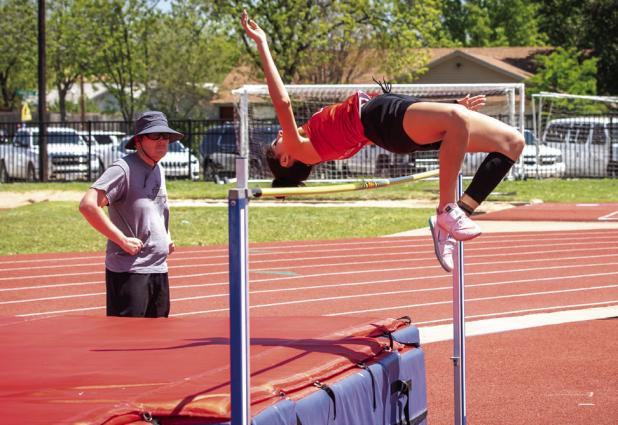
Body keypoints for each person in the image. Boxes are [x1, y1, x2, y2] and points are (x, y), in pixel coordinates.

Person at [241, 10, 524, 273]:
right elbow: (282, 101)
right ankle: (446, 211)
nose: (278, 136)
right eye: (276, 145)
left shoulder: (312, 139)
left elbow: (409, 115)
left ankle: (456, 215)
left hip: (391, 115)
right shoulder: (301, 147)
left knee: (512, 142)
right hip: (380, 120)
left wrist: (449, 107)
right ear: (286, 159)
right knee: (457, 118)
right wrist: (262, 43)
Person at [79, 111, 183, 317]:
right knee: (127, 340)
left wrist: (166, 237)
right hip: (130, 271)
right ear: (138, 140)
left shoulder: (158, 168)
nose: (162, 141)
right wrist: (122, 240)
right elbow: (88, 205)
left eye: (165, 136)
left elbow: (159, 207)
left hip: (158, 268)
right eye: (154, 135)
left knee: (156, 338)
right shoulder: (123, 169)